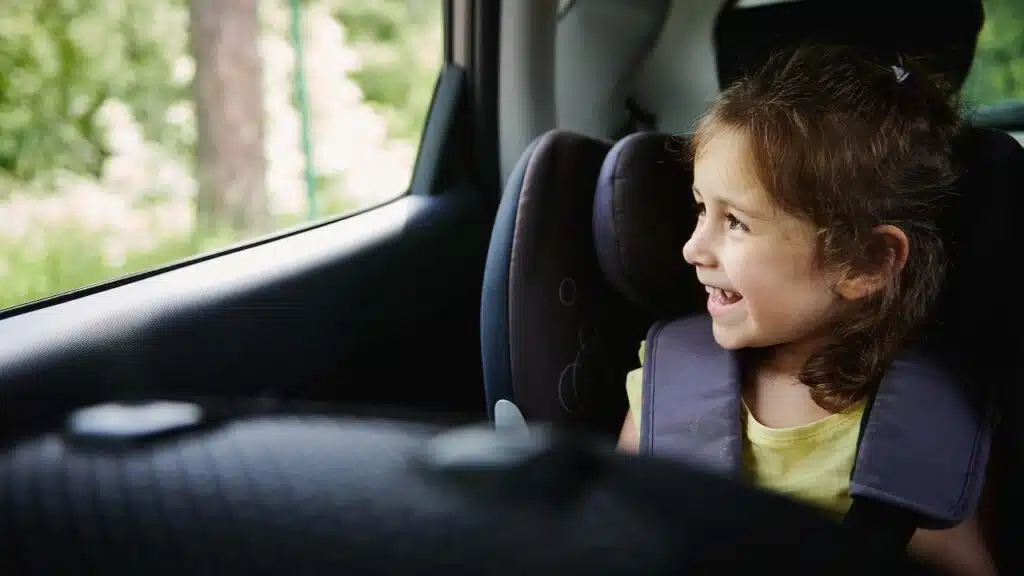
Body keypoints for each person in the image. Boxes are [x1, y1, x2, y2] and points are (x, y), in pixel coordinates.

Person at [616, 45, 995, 575]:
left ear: (864, 263)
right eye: (702, 208)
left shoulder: (922, 428)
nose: (693, 248)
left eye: (736, 223)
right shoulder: (666, 386)